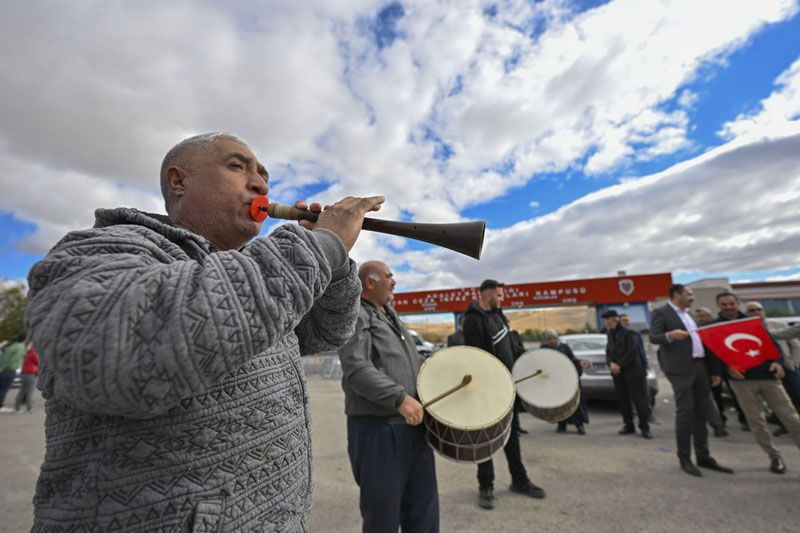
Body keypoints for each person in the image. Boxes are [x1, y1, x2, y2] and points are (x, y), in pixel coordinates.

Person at [24, 132, 384, 531]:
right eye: (237, 166)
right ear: (179, 181)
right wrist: (320, 246)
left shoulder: (253, 271)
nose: (260, 184)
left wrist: (333, 261)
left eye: (264, 176)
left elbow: (326, 333)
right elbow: (123, 357)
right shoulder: (102, 248)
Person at [337, 261, 439, 533]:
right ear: (369, 282)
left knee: (424, 512)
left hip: (414, 427)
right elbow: (357, 369)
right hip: (379, 431)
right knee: (382, 518)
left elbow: (411, 362)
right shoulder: (356, 314)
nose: (394, 281)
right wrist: (399, 398)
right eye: (389, 276)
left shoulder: (391, 315)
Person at [463, 279, 544, 510]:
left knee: (512, 434)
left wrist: (528, 361)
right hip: (487, 391)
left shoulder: (499, 317)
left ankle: (519, 480)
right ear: (487, 295)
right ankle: (485, 486)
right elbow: (477, 358)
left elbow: (511, 347)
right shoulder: (472, 320)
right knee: (485, 439)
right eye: (499, 295)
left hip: (508, 387)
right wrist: (490, 385)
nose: (502, 299)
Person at [649, 285, 733, 477]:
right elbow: (654, 337)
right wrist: (670, 335)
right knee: (686, 413)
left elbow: (702, 343)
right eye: (689, 294)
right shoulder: (661, 312)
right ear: (676, 295)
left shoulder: (689, 315)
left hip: (700, 367)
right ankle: (684, 458)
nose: (692, 297)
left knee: (701, 412)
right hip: (680, 370)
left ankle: (703, 456)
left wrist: (713, 370)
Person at [717, 299, 800, 474]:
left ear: (737, 304)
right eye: (724, 304)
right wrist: (726, 368)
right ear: (719, 306)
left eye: (732, 303)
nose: (728, 307)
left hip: (769, 378)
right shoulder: (715, 328)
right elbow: (713, 355)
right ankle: (774, 456)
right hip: (741, 382)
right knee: (756, 422)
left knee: (792, 418)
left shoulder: (755, 325)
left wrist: (777, 362)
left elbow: (774, 346)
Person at [747, 301, 800, 436]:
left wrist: (795, 364)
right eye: (752, 311)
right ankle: (785, 426)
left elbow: (795, 345)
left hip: (787, 366)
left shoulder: (778, 325)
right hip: (765, 369)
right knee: (778, 400)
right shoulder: (745, 328)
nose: (756, 312)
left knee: (796, 394)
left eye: (759, 309)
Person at [602, 310, 652, 439]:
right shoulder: (609, 334)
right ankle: (629, 425)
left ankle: (645, 427)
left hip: (633, 371)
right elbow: (608, 351)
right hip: (618, 373)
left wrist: (619, 365)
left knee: (639, 400)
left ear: (612, 319)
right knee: (623, 400)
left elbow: (632, 352)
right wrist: (610, 363)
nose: (605, 322)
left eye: (606, 319)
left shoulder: (629, 333)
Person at [540, 330, 588, 434]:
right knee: (560, 404)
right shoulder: (544, 349)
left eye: (554, 338)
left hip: (569, 379)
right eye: (549, 339)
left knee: (574, 403)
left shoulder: (564, 347)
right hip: (556, 382)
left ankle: (579, 425)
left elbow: (573, 361)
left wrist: (577, 374)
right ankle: (562, 424)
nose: (552, 340)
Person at [620, 313, 658, 425]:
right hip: (625, 370)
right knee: (629, 395)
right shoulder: (617, 335)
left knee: (644, 393)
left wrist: (645, 365)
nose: (627, 322)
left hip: (639, 368)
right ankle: (632, 417)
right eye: (624, 320)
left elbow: (641, 351)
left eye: (628, 320)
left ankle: (649, 415)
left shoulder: (635, 333)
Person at [0, 334, 26, 413]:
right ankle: (0, 406)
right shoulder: (21, 347)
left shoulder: (11, 347)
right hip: (9, 370)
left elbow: (3, 358)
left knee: (1, 388)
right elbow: (12, 360)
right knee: (4, 389)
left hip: (3, 370)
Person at [14, 345, 39, 413]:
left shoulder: (27, 353)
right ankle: (29, 407)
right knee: (29, 391)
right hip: (30, 374)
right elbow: (38, 363)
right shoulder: (33, 354)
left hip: (24, 374)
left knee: (22, 391)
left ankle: (17, 407)